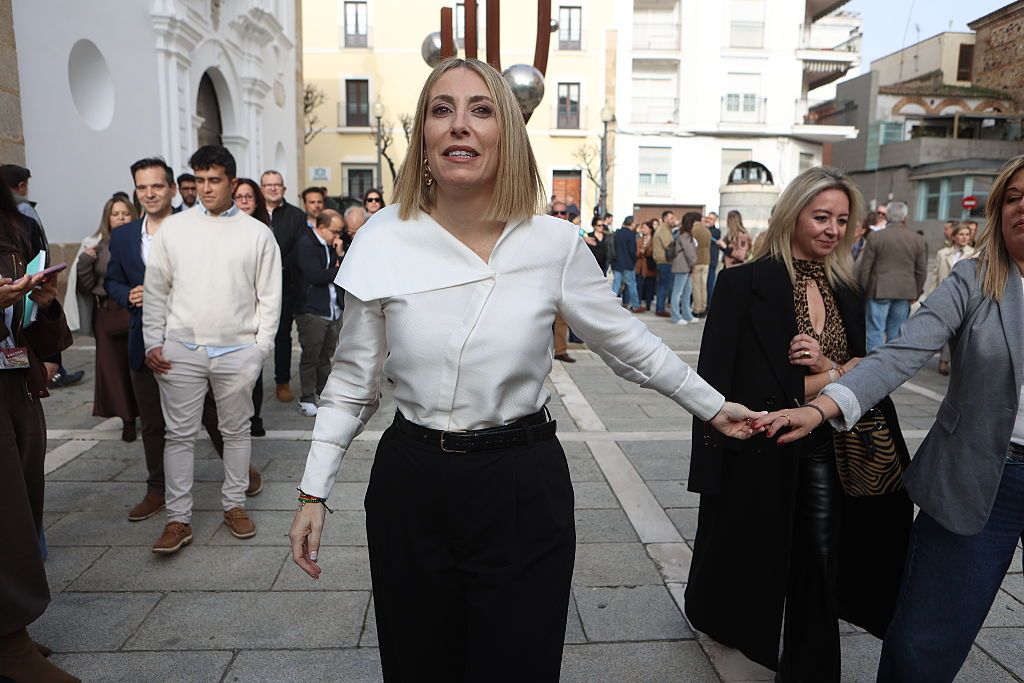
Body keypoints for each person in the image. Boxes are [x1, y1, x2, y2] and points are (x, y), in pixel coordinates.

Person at [286, 57, 759, 682]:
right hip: (413, 484)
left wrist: (713, 405)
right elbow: (351, 383)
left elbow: (628, 344)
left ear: (506, 132)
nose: (460, 126)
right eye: (441, 110)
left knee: (520, 663)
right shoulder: (382, 239)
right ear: (424, 138)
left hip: (519, 482)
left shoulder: (552, 244)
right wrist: (313, 490)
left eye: (481, 110)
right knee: (418, 663)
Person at [756, 154, 1024, 682]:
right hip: (978, 477)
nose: (1022, 207)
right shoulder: (975, 279)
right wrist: (819, 408)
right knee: (922, 643)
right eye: (1013, 197)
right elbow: (900, 354)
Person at [687, 166, 913, 680]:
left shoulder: (847, 289)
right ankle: (718, 614)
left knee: (819, 554)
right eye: (821, 216)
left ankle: (812, 667)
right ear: (793, 215)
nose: (833, 229)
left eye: (842, 219)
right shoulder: (743, 283)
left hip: (827, 446)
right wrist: (836, 374)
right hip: (759, 439)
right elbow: (718, 382)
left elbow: (861, 373)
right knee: (739, 544)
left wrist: (831, 370)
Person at [142, 145, 281, 553]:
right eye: (199, 180)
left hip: (237, 350)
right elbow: (156, 291)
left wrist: (260, 350)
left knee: (235, 431)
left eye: (214, 180)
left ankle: (234, 504)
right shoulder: (174, 229)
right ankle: (178, 519)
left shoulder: (258, 233)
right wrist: (154, 340)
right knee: (179, 435)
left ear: (232, 183)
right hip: (181, 348)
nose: (205, 188)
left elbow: (270, 298)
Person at [106, 158, 259, 523]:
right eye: (142, 188)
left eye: (156, 186)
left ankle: (238, 479)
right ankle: (158, 490)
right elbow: (111, 280)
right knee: (155, 422)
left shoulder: (192, 227)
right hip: (145, 340)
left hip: (194, 341)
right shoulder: (125, 235)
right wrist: (128, 293)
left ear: (172, 189)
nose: (149, 194)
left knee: (215, 415)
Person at [0, 182, 78, 683]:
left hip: (14, 384)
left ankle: (11, 629)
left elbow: (27, 327)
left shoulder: (12, 229)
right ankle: (9, 646)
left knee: (24, 506)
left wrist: (43, 302)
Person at [0, 164, 85, 389]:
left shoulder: (20, 228)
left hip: (14, 368)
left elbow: (29, 313)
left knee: (19, 402)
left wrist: (50, 359)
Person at [72, 196, 140, 442]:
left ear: (133, 215)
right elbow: (87, 286)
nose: (121, 217)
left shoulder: (142, 241)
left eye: (125, 213)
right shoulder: (96, 246)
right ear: (107, 219)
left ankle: (148, 411)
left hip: (136, 311)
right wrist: (85, 261)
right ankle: (127, 418)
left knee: (140, 367)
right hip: (107, 315)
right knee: (114, 370)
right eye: (115, 214)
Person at [260, 170, 308, 404]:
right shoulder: (252, 215)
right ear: (262, 189)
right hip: (253, 287)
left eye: (276, 184)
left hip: (284, 286)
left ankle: (282, 382)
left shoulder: (297, 216)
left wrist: (274, 267)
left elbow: (298, 251)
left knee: (282, 336)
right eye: (268, 185)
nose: (272, 188)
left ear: (284, 188)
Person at [294, 209, 344, 417]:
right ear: (320, 227)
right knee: (311, 356)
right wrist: (338, 268)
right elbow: (316, 275)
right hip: (311, 310)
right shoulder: (306, 244)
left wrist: (340, 256)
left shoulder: (331, 245)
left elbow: (336, 273)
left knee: (326, 356)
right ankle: (306, 397)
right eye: (334, 231)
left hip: (331, 309)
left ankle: (323, 393)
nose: (337, 237)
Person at [857, 200, 927, 351]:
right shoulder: (917, 239)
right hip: (904, 292)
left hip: (878, 290)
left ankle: (873, 367)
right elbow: (921, 270)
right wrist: (917, 291)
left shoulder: (875, 237)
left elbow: (865, 269)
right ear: (905, 218)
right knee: (895, 333)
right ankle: (891, 368)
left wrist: (862, 291)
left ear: (886, 217)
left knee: (875, 331)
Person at [233, 178, 272, 435]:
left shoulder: (262, 232)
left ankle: (253, 417)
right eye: (239, 196)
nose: (244, 201)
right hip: (228, 313)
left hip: (253, 312)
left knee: (253, 371)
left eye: (249, 196)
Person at [929, 223, 976, 376]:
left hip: (966, 298)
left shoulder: (975, 254)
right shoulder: (943, 253)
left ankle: (948, 360)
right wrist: (930, 295)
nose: (964, 237)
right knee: (947, 330)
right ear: (954, 236)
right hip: (945, 296)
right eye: (961, 234)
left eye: (967, 234)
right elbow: (935, 275)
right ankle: (944, 360)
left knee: (960, 332)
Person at [549, 201, 575, 362]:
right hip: (543, 282)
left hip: (563, 282)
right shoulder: (542, 232)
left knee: (561, 320)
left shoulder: (571, 233)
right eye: (555, 212)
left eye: (562, 213)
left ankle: (560, 350)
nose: (559, 215)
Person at [669, 212, 699, 325]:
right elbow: (689, 252)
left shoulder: (682, 233)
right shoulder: (685, 235)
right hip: (683, 266)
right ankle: (676, 316)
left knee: (687, 291)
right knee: (678, 292)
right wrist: (693, 263)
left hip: (684, 266)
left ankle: (687, 314)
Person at [611, 215, 640, 311]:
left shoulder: (617, 233)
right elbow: (632, 251)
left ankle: (611, 305)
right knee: (632, 285)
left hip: (617, 263)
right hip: (628, 264)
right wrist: (634, 260)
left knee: (616, 285)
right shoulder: (631, 234)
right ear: (631, 223)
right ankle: (636, 305)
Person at [652, 211, 675, 317]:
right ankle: (660, 309)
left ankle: (660, 308)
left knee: (662, 286)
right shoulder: (663, 230)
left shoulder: (663, 229)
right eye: (671, 218)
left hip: (662, 261)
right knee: (664, 287)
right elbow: (669, 245)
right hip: (664, 261)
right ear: (665, 218)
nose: (673, 220)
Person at [691, 215, 712, 317]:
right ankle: (704, 307)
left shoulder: (693, 230)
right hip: (706, 260)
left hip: (697, 261)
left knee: (696, 287)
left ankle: (697, 309)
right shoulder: (707, 231)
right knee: (703, 286)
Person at [634, 221, 656, 312]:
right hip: (640, 266)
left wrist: (645, 250)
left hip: (650, 266)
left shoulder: (654, 240)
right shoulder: (639, 240)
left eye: (645, 228)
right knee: (639, 285)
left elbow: (653, 252)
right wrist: (641, 251)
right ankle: (638, 303)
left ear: (650, 229)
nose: (643, 230)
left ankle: (648, 304)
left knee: (649, 286)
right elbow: (637, 252)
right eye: (642, 228)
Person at [706, 211, 721, 300]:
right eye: (708, 218)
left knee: (710, 284)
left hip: (711, 260)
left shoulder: (716, 231)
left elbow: (710, 237)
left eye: (711, 219)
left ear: (715, 220)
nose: (708, 220)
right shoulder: (705, 229)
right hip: (704, 260)